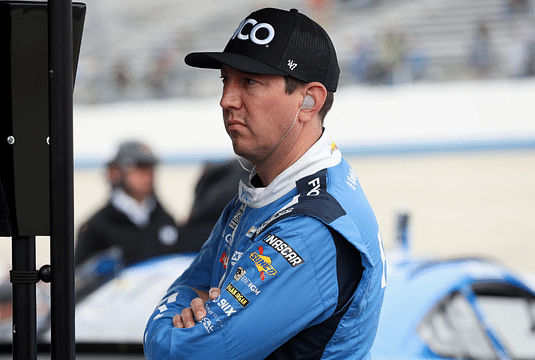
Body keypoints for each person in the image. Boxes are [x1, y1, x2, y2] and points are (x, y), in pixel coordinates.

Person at [144, 7, 386, 360]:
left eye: (250, 82)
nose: (227, 99)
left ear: (309, 101)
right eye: (226, 79)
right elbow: (187, 287)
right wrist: (181, 313)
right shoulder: (268, 192)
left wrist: (163, 326)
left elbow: (179, 354)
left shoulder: (310, 228)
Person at [75, 140, 179, 269]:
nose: (148, 174)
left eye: (151, 167)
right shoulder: (96, 227)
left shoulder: (166, 220)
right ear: (115, 172)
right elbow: (81, 279)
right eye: (139, 167)